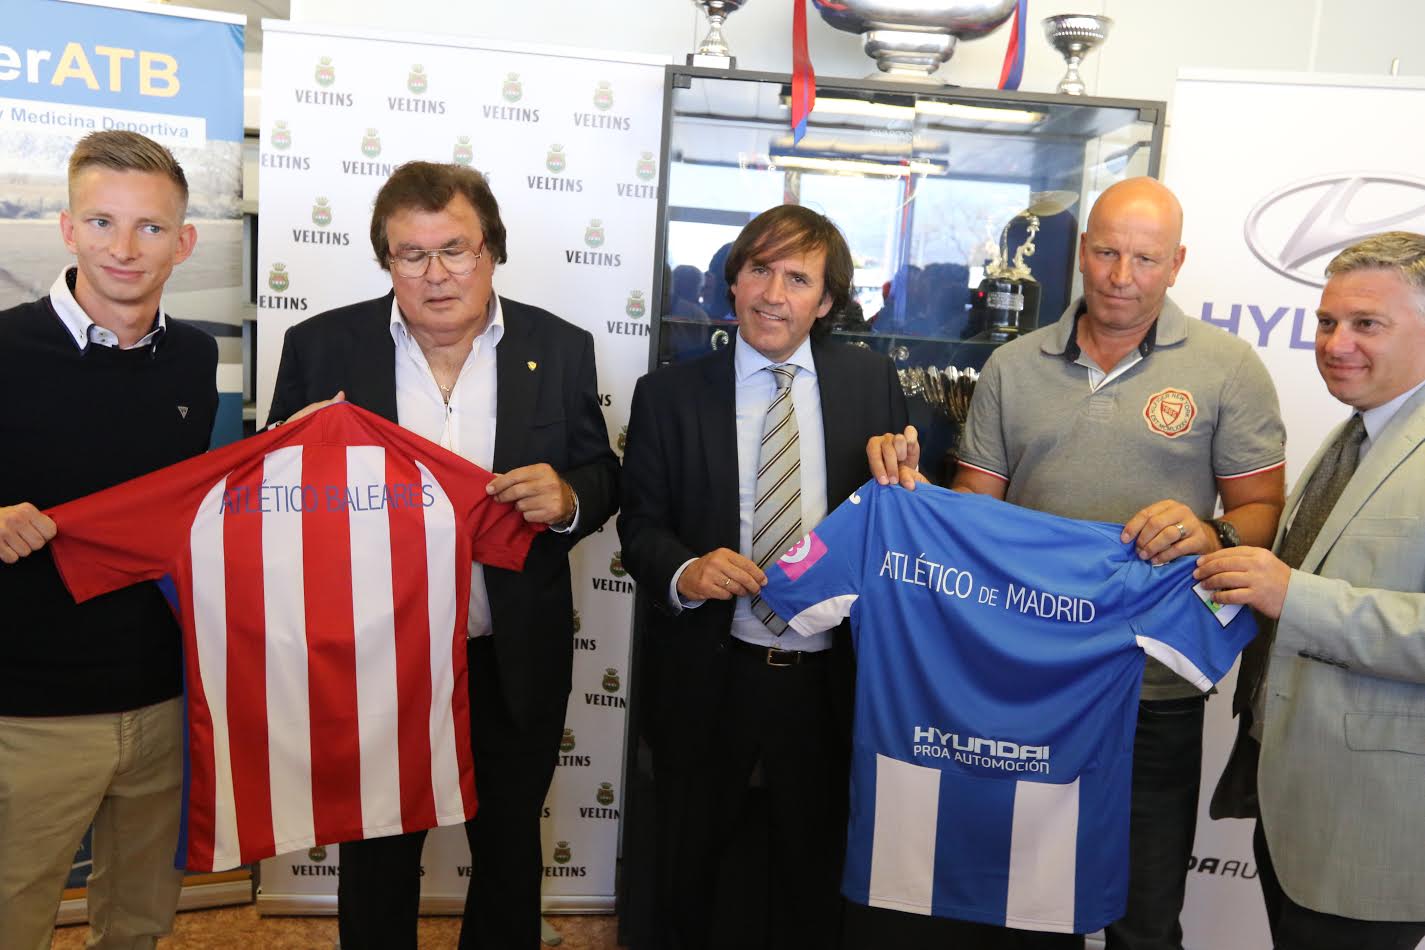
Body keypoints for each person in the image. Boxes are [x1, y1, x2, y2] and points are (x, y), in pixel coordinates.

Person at [867, 177, 1286, 949]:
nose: (1121, 276)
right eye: (1106, 253)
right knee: (1029, 909)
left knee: (1144, 916)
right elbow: (976, 508)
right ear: (1081, 252)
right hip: (1031, 679)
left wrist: (1210, 532)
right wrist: (916, 503)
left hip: (1150, 682)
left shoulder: (1228, 368)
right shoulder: (1013, 365)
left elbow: (1262, 509)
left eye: (1144, 259)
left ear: (1176, 263)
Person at [265, 160, 619, 950]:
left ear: (492, 249)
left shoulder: (559, 348)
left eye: (454, 249)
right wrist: (294, 453)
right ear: (385, 259)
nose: (435, 274)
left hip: (510, 652)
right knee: (377, 857)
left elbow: (601, 472)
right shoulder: (321, 347)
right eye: (411, 254)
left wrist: (569, 498)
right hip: (374, 655)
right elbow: (269, 496)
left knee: (508, 853)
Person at [618, 204, 909, 949]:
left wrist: (909, 484)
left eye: (797, 278)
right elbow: (639, 526)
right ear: (733, 281)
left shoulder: (871, 383)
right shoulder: (669, 394)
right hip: (710, 671)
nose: (772, 294)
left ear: (827, 300)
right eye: (758, 270)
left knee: (814, 878)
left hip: (829, 679)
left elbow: (898, 521)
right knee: (688, 873)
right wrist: (686, 569)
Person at [0, 130, 217, 949]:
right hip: (28, 716)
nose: (124, 249)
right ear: (67, 229)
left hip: (162, 704)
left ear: (183, 243)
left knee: (138, 927)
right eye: (102, 222)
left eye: (150, 227)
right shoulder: (3, 348)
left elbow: (190, 506)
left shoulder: (195, 358)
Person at [1199, 231, 1425, 950]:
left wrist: (1290, 596)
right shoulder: (1356, 431)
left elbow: (1299, 593)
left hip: (1374, 826)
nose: (1334, 343)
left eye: (1366, 324)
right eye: (1327, 321)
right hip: (1295, 802)